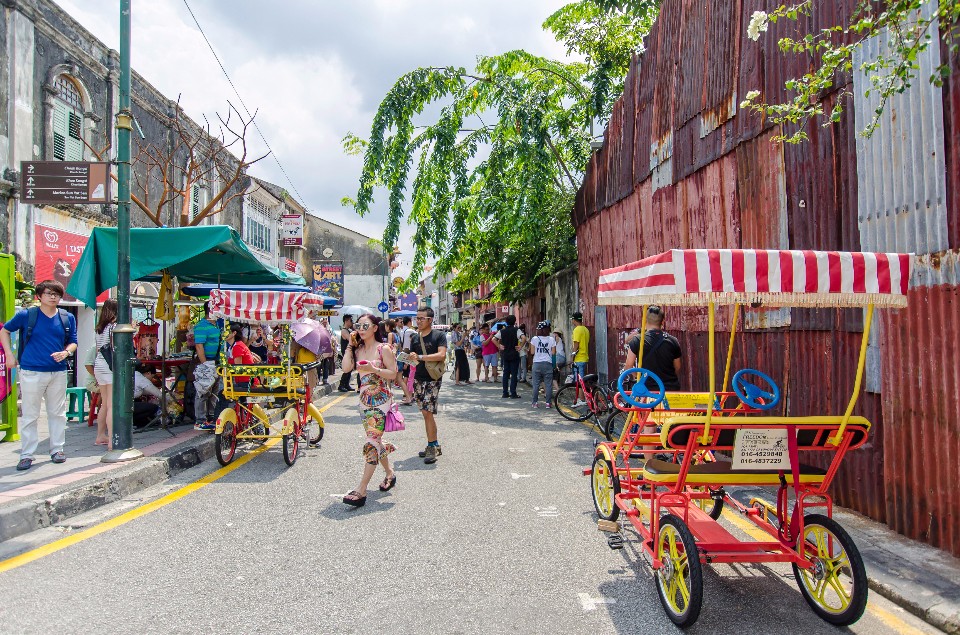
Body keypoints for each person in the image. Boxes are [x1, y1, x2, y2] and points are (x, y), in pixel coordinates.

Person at [0, 281, 78, 470]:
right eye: (49, 293)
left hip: (58, 371)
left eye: (57, 294)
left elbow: (73, 341)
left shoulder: (67, 317)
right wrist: (9, 355)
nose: (53, 297)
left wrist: (66, 353)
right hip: (31, 371)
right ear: (39, 296)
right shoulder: (27, 315)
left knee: (58, 413)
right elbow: (4, 330)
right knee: (30, 415)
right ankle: (27, 454)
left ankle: (57, 449)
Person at [340, 314, 399, 507]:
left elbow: (393, 373)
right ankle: (390, 473)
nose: (361, 328)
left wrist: (375, 370)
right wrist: (349, 345)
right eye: (359, 325)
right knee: (375, 439)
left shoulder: (384, 349)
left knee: (372, 441)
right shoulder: (358, 350)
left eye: (366, 325)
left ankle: (361, 490)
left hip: (381, 400)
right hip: (364, 401)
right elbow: (346, 368)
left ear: (375, 328)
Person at [407, 306, 447, 464]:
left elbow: (442, 355)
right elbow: (413, 359)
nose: (418, 321)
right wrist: (407, 358)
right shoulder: (415, 338)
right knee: (425, 413)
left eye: (421, 318)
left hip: (433, 379)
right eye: (417, 318)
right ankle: (435, 444)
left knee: (427, 412)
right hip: (418, 378)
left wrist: (421, 356)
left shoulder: (439, 335)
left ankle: (431, 446)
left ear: (430, 320)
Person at [624, 305, 682, 391]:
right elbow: (677, 367)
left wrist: (641, 378)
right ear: (662, 322)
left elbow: (628, 367)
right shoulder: (673, 341)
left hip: (648, 390)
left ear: (645, 321)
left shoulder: (637, 340)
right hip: (670, 389)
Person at [192, 301, 223, 431]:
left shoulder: (218, 325)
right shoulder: (201, 326)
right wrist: (205, 364)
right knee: (203, 391)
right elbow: (199, 346)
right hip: (207, 363)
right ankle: (200, 420)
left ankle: (211, 417)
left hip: (217, 363)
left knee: (214, 391)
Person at [93, 299, 119, 449]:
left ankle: (100, 436)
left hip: (99, 364)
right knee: (111, 405)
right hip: (110, 366)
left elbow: (98, 349)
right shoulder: (114, 327)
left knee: (104, 404)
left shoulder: (100, 328)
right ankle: (111, 441)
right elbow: (116, 348)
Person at [529, 322, 557, 408]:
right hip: (548, 364)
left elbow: (532, 352)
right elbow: (553, 353)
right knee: (548, 384)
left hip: (537, 363)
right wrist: (554, 365)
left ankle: (535, 403)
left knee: (536, 384)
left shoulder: (534, 339)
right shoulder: (552, 339)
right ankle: (548, 403)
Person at [82, 344, 105, 445]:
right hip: (94, 381)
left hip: (103, 380)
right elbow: (87, 364)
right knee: (107, 393)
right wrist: (97, 378)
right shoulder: (94, 348)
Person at [494, 315, 523, 399]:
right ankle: (513, 393)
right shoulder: (517, 330)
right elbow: (524, 337)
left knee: (505, 374)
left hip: (505, 354)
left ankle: (505, 393)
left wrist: (499, 346)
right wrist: (520, 346)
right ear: (514, 322)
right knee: (514, 374)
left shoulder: (502, 331)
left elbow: (494, 339)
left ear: (506, 322)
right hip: (514, 354)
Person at [132, 362, 163, 428]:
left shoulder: (135, 374)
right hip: (126, 405)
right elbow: (159, 394)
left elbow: (140, 391)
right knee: (153, 407)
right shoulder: (142, 379)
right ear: (148, 373)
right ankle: (134, 421)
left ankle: (138, 422)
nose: (152, 379)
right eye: (152, 376)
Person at [396, 316, 415, 405]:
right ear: (410, 322)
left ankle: (408, 395)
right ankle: (409, 395)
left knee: (407, 375)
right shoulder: (411, 331)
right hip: (410, 355)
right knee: (410, 376)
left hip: (404, 354)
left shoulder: (401, 331)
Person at [337, 315, 356, 392]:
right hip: (346, 351)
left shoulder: (349, 330)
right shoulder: (344, 331)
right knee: (347, 368)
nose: (352, 322)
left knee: (350, 368)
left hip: (350, 351)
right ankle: (341, 385)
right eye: (351, 321)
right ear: (346, 321)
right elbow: (351, 340)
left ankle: (346, 384)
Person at [570, 312, 590, 381]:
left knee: (579, 382)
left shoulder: (577, 330)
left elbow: (576, 344)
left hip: (579, 358)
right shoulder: (586, 329)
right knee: (582, 379)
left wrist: (572, 357)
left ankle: (580, 392)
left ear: (574, 320)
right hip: (585, 357)